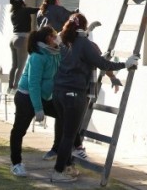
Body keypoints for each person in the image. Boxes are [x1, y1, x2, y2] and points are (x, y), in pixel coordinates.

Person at [49, 13, 138, 183]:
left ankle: (66, 166)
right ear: (83, 28)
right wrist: (125, 65)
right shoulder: (83, 43)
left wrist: (85, 30)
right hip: (74, 94)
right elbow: (102, 63)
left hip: (59, 93)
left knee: (66, 133)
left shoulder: (66, 40)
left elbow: (66, 37)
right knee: (69, 135)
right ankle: (58, 171)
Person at [9, 26, 63, 178]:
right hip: (26, 97)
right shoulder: (37, 56)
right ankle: (16, 164)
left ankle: (58, 150)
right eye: (54, 35)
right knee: (19, 130)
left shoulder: (55, 53)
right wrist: (38, 108)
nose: (57, 37)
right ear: (48, 39)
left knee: (64, 115)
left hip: (45, 97)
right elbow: (34, 84)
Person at [8, 0, 38, 92]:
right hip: (22, 39)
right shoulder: (24, 10)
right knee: (21, 66)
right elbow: (37, 10)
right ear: (22, 4)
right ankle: (16, 88)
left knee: (14, 66)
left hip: (13, 39)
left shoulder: (13, 14)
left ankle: (9, 87)